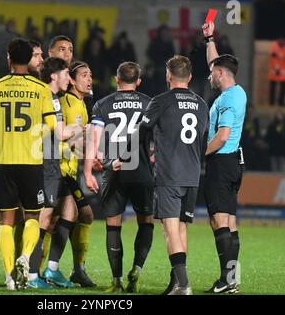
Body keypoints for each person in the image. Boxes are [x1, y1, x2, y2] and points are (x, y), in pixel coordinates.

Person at [0, 38, 56, 291]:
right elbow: (52, 126)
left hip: (4, 162)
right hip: (31, 162)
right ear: (30, 58)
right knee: (33, 216)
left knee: (6, 221)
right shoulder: (41, 89)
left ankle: (10, 277)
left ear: (9, 59)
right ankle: (25, 257)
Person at [135, 55, 209, 295]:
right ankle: (175, 283)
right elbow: (202, 138)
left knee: (170, 228)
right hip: (193, 173)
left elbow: (142, 130)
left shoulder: (161, 101)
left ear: (168, 76)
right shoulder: (201, 104)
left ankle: (184, 284)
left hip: (169, 173)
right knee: (182, 228)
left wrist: (152, 151)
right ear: (189, 77)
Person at [84, 62, 154, 293]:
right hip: (142, 171)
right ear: (139, 81)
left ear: (117, 79)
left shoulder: (103, 104)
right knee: (146, 221)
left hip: (113, 171)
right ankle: (137, 268)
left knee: (113, 225)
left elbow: (94, 140)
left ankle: (116, 281)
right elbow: (159, 139)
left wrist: (90, 167)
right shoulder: (149, 104)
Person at [42, 61, 96, 288]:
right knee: (69, 216)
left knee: (80, 215)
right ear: (72, 80)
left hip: (67, 170)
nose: (89, 79)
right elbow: (67, 138)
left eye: (90, 74)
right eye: (84, 75)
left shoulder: (80, 103)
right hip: (61, 170)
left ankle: (68, 269)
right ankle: (45, 268)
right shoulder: (71, 105)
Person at [202, 21, 247, 294]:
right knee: (229, 221)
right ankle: (232, 279)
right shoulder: (235, 91)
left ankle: (226, 280)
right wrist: (210, 39)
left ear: (221, 74)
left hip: (221, 161)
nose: (209, 76)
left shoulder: (229, 100)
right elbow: (214, 64)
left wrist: (197, 153)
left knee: (219, 221)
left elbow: (221, 135)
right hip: (233, 163)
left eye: (212, 73)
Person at [27, 57, 73, 288]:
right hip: (46, 164)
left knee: (41, 219)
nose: (69, 79)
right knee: (42, 219)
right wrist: (79, 128)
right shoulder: (50, 98)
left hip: (36, 161)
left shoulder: (37, 94)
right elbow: (61, 133)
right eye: (66, 74)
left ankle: (34, 271)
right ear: (54, 75)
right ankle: (33, 275)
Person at [268, 39, 285, 107]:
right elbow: (273, 57)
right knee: (272, 87)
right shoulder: (274, 46)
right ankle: (271, 103)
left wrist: (279, 55)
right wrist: (276, 67)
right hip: (274, 70)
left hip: (284, 72)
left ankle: (281, 102)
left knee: (283, 88)